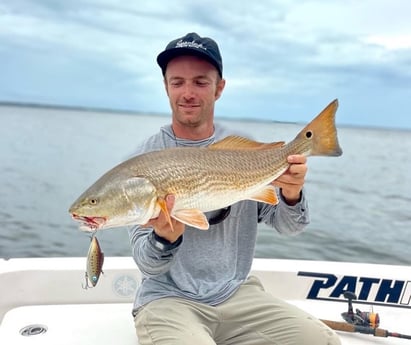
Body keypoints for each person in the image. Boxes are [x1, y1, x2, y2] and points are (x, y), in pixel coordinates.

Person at [128, 32, 341, 345]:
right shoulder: (146, 163)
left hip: (237, 293)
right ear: (166, 87)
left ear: (219, 88)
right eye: (177, 82)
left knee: (324, 342)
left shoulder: (243, 156)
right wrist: (164, 239)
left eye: (200, 82)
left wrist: (292, 194)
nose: (188, 92)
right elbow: (146, 263)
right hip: (169, 300)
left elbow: (290, 226)